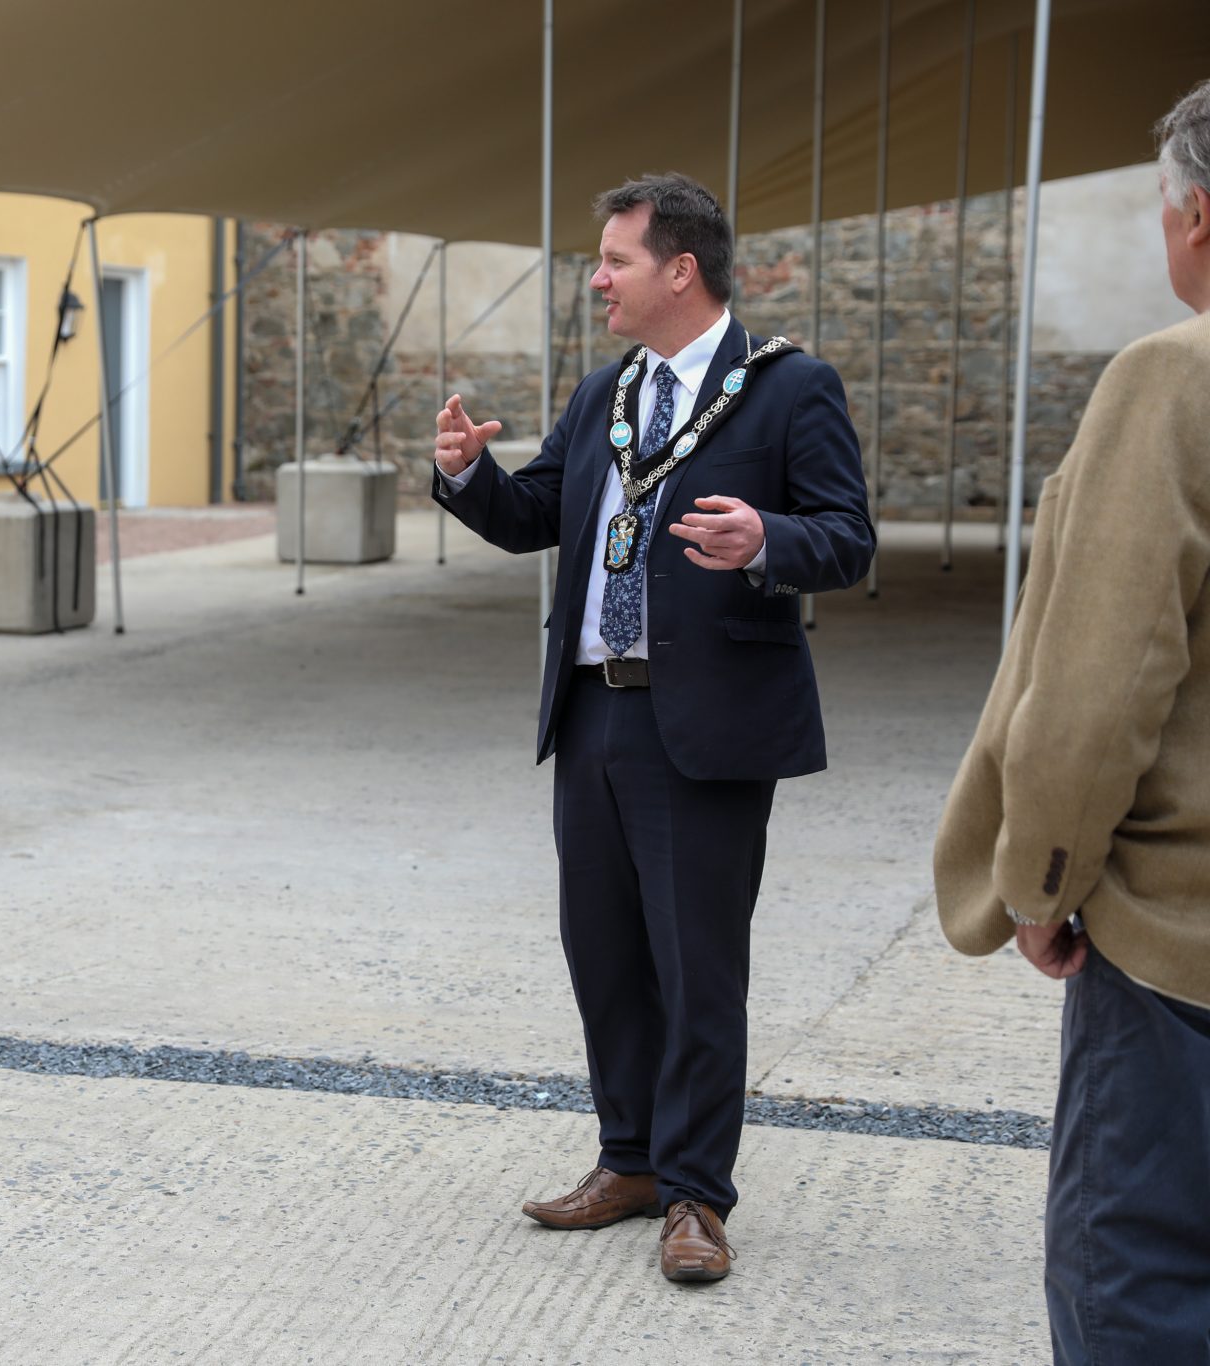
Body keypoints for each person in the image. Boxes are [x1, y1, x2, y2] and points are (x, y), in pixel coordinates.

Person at [433, 173, 874, 1283]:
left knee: (696, 967)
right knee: (606, 959)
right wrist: (464, 475)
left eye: (614, 260)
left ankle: (693, 1195)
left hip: (708, 726)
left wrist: (766, 536)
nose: (597, 279)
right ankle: (625, 1160)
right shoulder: (603, 394)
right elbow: (537, 513)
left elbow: (846, 536)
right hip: (591, 717)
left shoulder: (785, 389)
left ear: (679, 269)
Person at [934, 79, 1210, 1363]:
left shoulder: (1172, 378)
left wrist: (1041, 881)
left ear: (1194, 219)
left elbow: (1098, 684)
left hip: (1176, 943)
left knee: (1134, 1278)